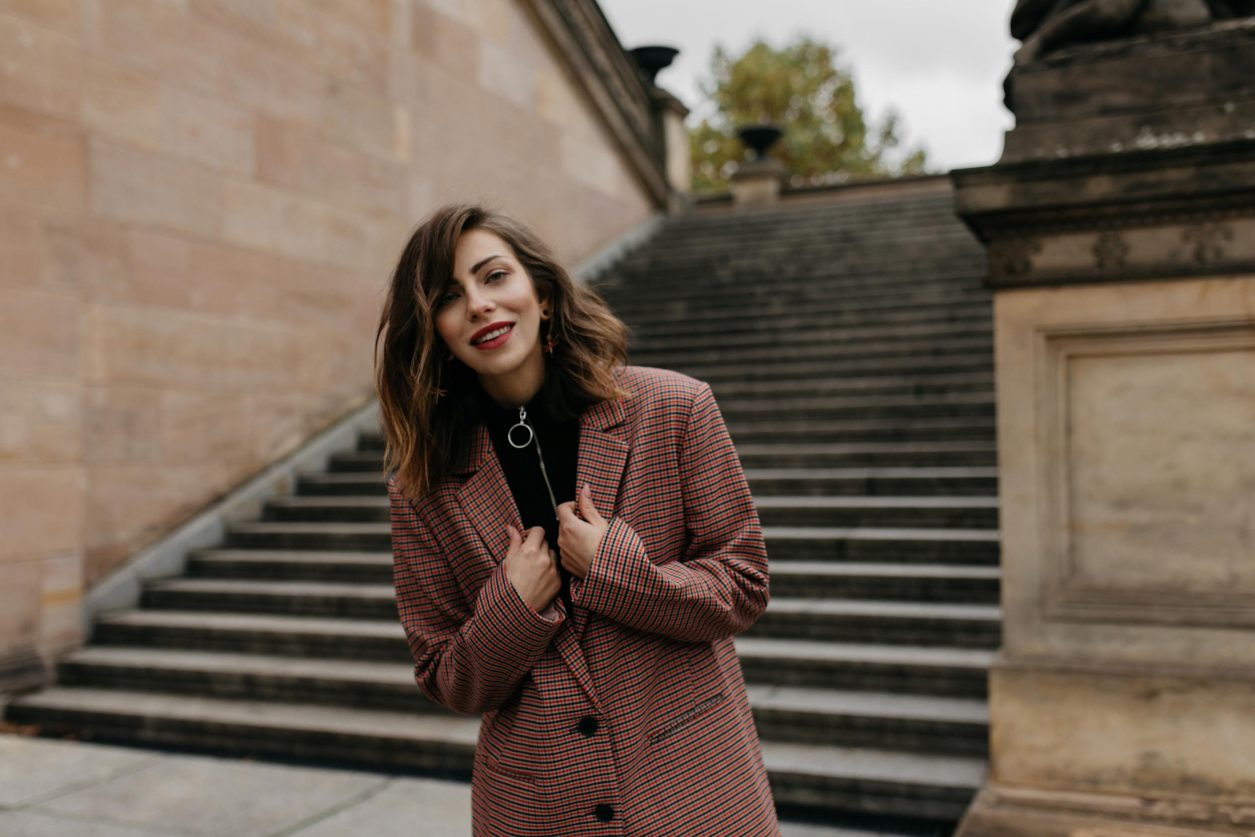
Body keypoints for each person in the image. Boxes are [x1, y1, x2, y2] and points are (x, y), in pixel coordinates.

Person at [373, 203, 778, 835]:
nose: (479, 304)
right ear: (435, 332)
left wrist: (615, 570)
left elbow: (744, 586)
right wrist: (513, 606)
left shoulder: (674, 407)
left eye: (494, 276)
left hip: (693, 791)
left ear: (543, 294)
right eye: (451, 296)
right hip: (535, 809)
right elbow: (445, 678)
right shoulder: (422, 485)